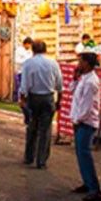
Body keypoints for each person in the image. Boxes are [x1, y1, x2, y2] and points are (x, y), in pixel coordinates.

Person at [20, 39, 64, 169]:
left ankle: (29, 156)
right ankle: (41, 160)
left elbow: (24, 85)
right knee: (45, 130)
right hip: (48, 98)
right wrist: (59, 101)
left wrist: (22, 100)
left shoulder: (28, 63)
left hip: (33, 98)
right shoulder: (53, 63)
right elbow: (59, 85)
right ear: (46, 50)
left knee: (32, 127)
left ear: (33, 50)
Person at [71, 52, 101, 201]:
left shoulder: (91, 82)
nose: (78, 64)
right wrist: (75, 78)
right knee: (80, 154)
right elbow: (73, 91)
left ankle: (94, 189)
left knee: (84, 154)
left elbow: (87, 105)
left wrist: (78, 120)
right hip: (80, 120)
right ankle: (87, 182)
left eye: (80, 62)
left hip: (86, 122)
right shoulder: (84, 78)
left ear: (87, 64)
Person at [14, 37, 34, 124]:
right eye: (29, 44)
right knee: (21, 89)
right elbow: (17, 60)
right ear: (25, 43)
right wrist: (27, 61)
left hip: (29, 73)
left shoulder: (30, 51)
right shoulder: (19, 50)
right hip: (21, 72)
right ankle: (21, 101)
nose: (29, 46)